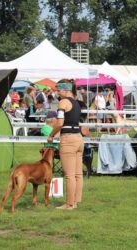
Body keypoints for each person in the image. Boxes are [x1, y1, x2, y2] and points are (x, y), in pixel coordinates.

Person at [47, 79, 84, 210]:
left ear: (65, 89)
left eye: (58, 90)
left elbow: (60, 122)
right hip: (79, 139)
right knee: (78, 174)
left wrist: (51, 135)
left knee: (69, 175)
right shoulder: (77, 102)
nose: (57, 93)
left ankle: (69, 204)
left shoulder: (63, 102)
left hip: (68, 140)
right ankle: (76, 201)